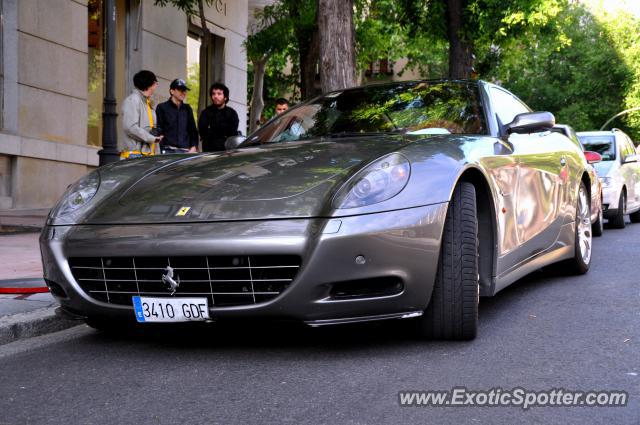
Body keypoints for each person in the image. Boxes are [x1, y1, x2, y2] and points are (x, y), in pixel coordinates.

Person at [121, 70, 163, 159]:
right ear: (151, 84)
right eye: (156, 83)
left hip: (147, 156)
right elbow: (130, 127)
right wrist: (151, 138)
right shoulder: (133, 100)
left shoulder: (147, 103)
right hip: (135, 156)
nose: (156, 86)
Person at [155, 78, 198, 153]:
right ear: (172, 91)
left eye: (185, 90)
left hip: (186, 151)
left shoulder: (187, 109)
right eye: (180, 90)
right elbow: (159, 129)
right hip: (167, 150)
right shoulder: (161, 107)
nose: (184, 92)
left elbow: (193, 131)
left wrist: (194, 147)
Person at [198, 82, 239, 152]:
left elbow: (232, 133)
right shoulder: (205, 113)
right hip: (209, 152)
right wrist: (223, 131)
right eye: (213, 94)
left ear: (225, 97)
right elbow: (203, 132)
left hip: (227, 153)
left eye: (219, 94)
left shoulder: (232, 113)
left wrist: (212, 128)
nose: (215, 96)